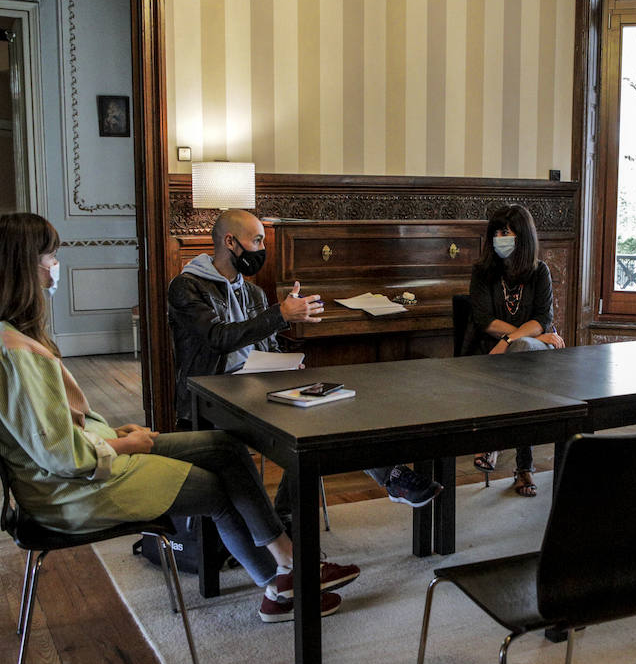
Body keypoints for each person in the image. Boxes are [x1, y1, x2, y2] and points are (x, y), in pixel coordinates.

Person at [0, 212, 359, 623]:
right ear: (22, 263)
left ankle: (286, 577)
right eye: (50, 255)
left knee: (224, 448)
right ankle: (285, 578)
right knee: (216, 487)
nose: (55, 264)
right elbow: (63, 456)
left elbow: (53, 428)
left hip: (87, 460)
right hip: (73, 489)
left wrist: (112, 432)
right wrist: (124, 444)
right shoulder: (15, 351)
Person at [167, 208, 442, 519]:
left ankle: (385, 481)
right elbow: (217, 337)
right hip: (211, 398)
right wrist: (280, 315)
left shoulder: (254, 293)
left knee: (328, 406)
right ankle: (290, 519)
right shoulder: (186, 287)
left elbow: (266, 348)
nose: (262, 249)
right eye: (257, 240)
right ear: (230, 241)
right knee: (307, 432)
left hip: (256, 388)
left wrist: (285, 364)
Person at [467, 204, 566, 497]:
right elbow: (484, 320)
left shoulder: (540, 272)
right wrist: (525, 337)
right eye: (496, 232)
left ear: (522, 237)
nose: (500, 238)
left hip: (525, 353)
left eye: (506, 232)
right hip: (501, 355)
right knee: (522, 361)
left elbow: (542, 319)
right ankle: (524, 467)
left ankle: (493, 442)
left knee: (522, 350)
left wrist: (510, 341)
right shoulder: (482, 272)